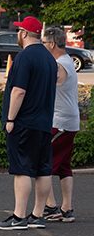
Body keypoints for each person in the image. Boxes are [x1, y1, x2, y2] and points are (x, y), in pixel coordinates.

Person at [0, 16, 58, 230]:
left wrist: (10, 118)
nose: (17, 34)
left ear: (24, 33)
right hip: (44, 122)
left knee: (22, 169)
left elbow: (18, 91)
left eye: (19, 31)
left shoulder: (24, 57)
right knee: (42, 170)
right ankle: (38, 215)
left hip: (24, 122)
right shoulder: (49, 59)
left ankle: (19, 216)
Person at [41, 26, 78, 223]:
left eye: (44, 43)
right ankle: (67, 208)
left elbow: (56, 81)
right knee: (64, 166)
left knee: (42, 163)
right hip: (70, 121)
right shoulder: (68, 60)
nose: (42, 46)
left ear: (52, 44)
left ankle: (51, 207)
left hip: (59, 121)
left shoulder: (59, 65)